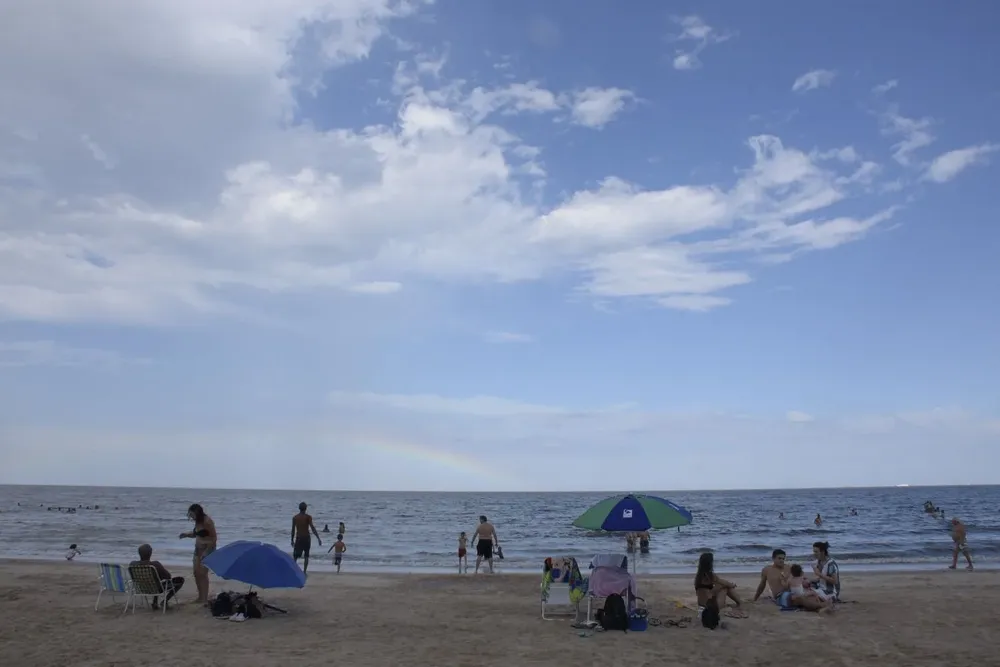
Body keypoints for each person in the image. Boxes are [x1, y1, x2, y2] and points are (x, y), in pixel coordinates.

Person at [179, 503, 217, 605]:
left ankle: (204, 598)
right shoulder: (198, 522)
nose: (191, 517)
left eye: (192, 514)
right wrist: (186, 535)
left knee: (202, 574)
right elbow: (197, 534)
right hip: (198, 549)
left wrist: (206, 551)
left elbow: (214, 538)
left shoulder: (207, 521)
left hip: (208, 549)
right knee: (196, 573)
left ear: (197, 513)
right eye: (190, 515)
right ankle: (200, 597)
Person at [130, 544, 185, 610]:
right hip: (157, 589)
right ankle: (164, 601)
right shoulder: (155, 564)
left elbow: (133, 578)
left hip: (141, 588)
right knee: (180, 580)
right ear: (150, 553)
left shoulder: (133, 564)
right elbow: (168, 576)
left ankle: (155, 602)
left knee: (155, 580)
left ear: (139, 553)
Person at [291, 502, 322, 574]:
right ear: (306, 508)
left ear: (299, 508)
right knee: (306, 556)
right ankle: (304, 572)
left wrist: (292, 540)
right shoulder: (308, 517)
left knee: (295, 556)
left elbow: (293, 530)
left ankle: (294, 571)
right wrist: (318, 538)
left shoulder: (295, 517)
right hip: (306, 538)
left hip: (299, 538)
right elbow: (312, 528)